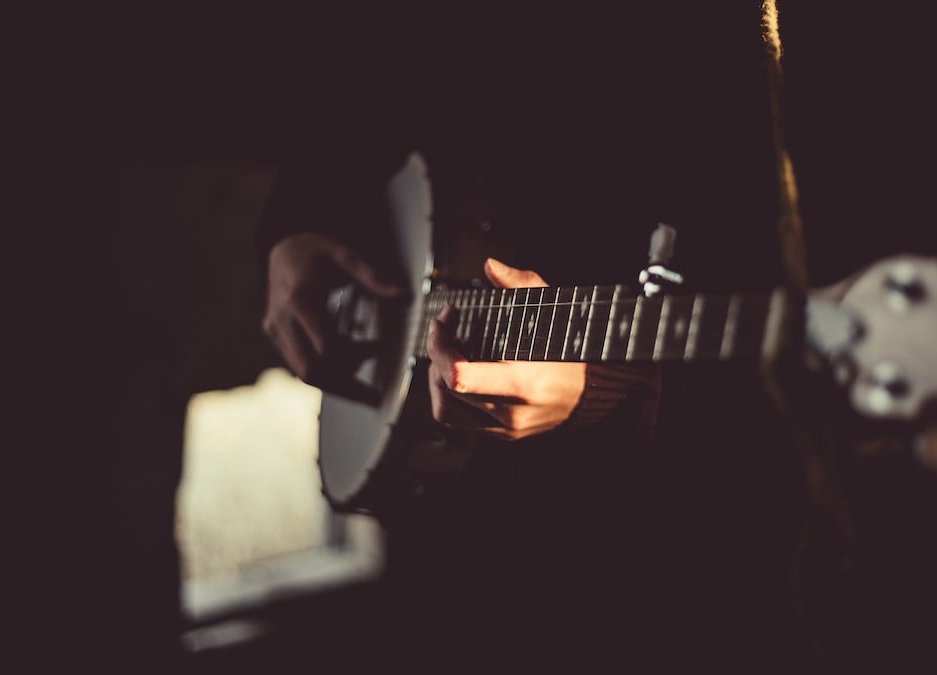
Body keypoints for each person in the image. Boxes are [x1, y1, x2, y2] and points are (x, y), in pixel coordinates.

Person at [254, 5, 819, 669]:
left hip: (649, 542)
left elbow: (766, 252)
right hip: (452, 535)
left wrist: (623, 377)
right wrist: (297, 219)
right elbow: (357, 58)